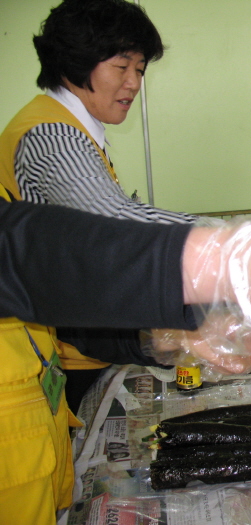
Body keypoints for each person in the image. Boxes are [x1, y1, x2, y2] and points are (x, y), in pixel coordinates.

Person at [0, 187, 251, 524]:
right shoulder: (47, 130)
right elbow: (22, 251)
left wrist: (164, 336)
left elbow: (49, 305)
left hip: (36, 455)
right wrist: (222, 261)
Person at [0, 0, 200, 410]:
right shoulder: (52, 135)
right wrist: (239, 242)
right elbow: (116, 223)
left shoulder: (72, 127)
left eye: (140, 70)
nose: (133, 84)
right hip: (45, 355)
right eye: (121, 66)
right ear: (76, 61)